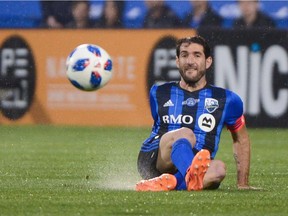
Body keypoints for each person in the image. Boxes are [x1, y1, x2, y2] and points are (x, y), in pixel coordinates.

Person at [136, 36, 257, 191]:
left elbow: (241, 140)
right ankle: (190, 176)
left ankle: (171, 183)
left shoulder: (227, 99)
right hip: (156, 159)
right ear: (177, 61)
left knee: (219, 169)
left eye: (197, 55)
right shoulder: (159, 92)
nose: (190, 61)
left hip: (197, 161)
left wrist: (243, 183)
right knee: (186, 134)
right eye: (185, 55)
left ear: (208, 61)